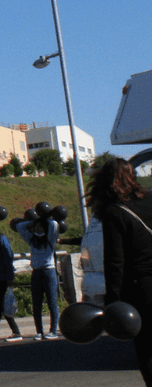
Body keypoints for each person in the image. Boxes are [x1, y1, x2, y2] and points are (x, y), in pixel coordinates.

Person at [90, 158, 152, 384]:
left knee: (147, 348)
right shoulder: (151, 197)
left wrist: (113, 300)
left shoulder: (113, 211)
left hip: (142, 288)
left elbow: (115, 260)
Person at [16, 213, 61, 340]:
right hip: (36, 272)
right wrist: (33, 221)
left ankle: (53, 331)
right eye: (36, 226)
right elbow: (19, 226)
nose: (38, 228)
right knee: (37, 304)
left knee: (52, 303)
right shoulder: (31, 239)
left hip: (49, 272)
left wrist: (44, 219)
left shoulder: (50, 238)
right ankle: (39, 331)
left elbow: (54, 224)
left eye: (41, 226)